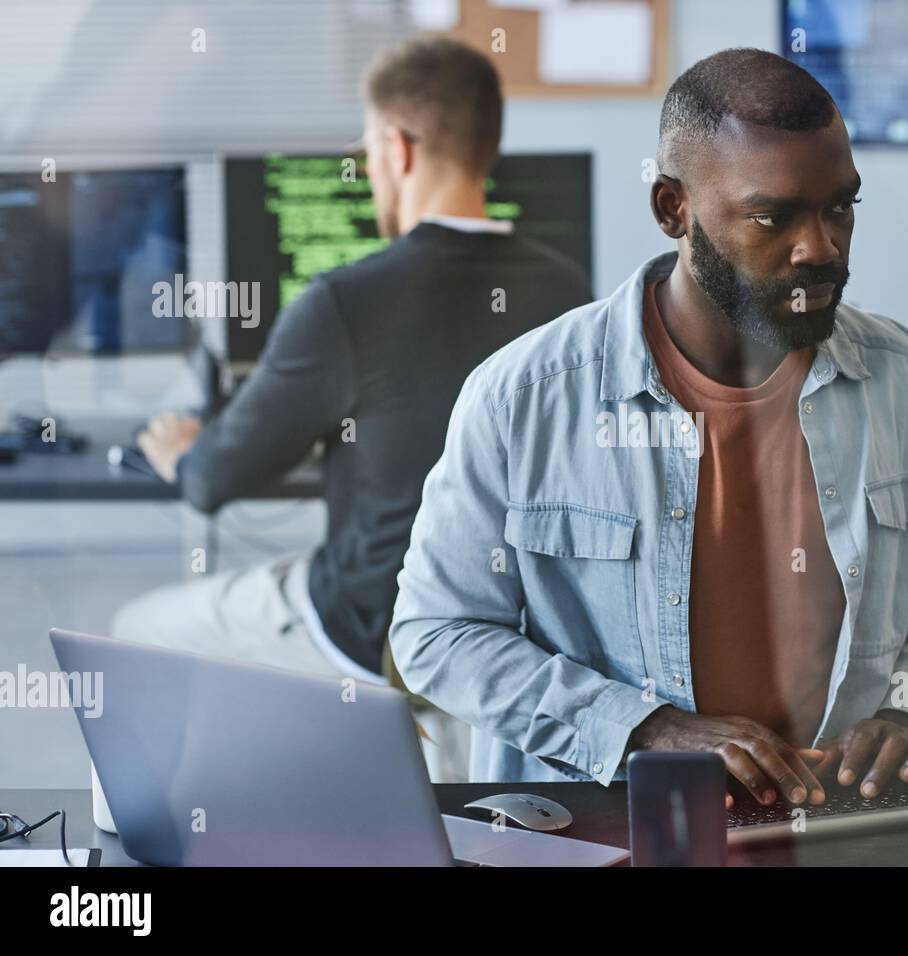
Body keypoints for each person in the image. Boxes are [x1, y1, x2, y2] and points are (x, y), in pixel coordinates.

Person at [389, 48, 908, 807]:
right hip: (607, 825)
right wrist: (644, 729)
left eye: (839, 208)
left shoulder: (905, 381)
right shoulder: (524, 398)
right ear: (673, 208)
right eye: (772, 217)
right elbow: (438, 633)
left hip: (834, 826)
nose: (820, 248)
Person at [113, 36, 591, 782]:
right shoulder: (573, 294)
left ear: (397, 149)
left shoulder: (344, 301)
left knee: (134, 631)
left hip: (374, 627)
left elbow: (213, 481)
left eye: (367, 150)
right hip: (520, 637)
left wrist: (180, 452)